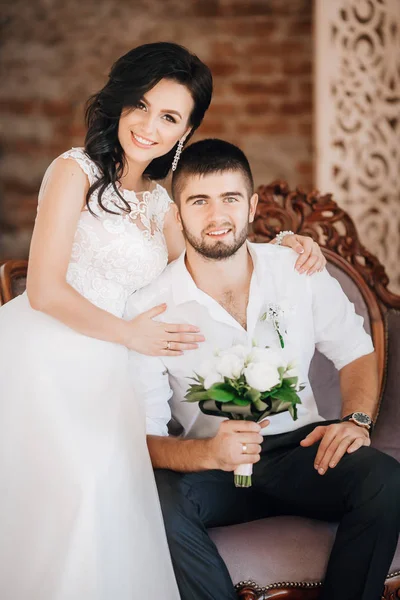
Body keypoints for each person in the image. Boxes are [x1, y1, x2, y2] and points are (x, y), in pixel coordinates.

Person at [0, 44, 325, 600]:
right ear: (120, 103)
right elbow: (47, 290)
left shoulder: (160, 204)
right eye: (142, 106)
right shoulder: (72, 171)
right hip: (52, 355)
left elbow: (202, 262)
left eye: (169, 117)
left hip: (124, 364)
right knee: (84, 489)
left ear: (186, 131)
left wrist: (283, 245)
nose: (149, 126)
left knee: (129, 497)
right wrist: (130, 334)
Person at [125, 138, 400, 600]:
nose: (217, 217)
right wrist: (210, 455)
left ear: (251, 205)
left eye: (230, 198)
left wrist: (355, 419)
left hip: (302, 451)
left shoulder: (297, 268)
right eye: (199, 201)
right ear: (177, 214)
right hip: (211, 464)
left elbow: (356, 350)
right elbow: (146, 441)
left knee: (385, 480)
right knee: (158, 503)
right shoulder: (149, 307)